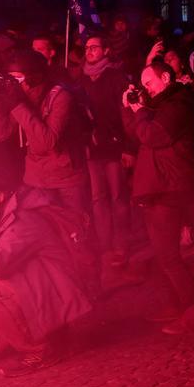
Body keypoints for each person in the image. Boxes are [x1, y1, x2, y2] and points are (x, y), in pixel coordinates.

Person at [0, 172, 93, 377]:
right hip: (31, 288)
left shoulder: (23, 219)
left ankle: (42, 349)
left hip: (53, 293)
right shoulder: (2, 217)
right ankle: (43, 333)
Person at [122, 59, 194, 327]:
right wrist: (130, 109)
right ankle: (182, 307)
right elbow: (136, 133)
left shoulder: (178, 103)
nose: (147, 89)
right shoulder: (160, 105)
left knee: (168, 255)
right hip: (159, 187)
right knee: (162, 254)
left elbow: (153, 136)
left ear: (165, 77)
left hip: (170, 188)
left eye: (149, 83)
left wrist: (141, 111)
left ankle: (192, 313)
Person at [0, 48, 92, 214]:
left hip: (65, 180)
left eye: (17, 78)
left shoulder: (60, 97)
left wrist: (17, 105)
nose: (13, 83)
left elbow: (47, 141)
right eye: (11, 78)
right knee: (43, 233)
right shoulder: (23, 96)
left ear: (33, 76)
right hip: (36, 178)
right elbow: (1, 133)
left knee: (73, 231)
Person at [81, 34, 133, 267]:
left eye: (94, 47)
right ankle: (105, 245)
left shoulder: (115, 77)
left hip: (114, 147)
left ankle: (122, 245)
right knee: (98, 199)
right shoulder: (81, 79)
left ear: (106, 50)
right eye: (87, 47)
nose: (89, 51)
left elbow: (127, 114)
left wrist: (128, 147)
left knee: (118, 197)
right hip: (93, 149)